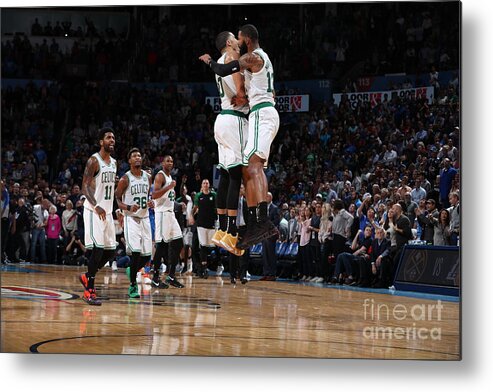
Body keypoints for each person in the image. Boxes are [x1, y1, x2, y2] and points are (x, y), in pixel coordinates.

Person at [199, 23, 280, 249]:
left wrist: (208, 61)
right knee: (245, 170)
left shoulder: (252, 57)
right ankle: (251, 223)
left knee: (251, 168)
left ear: (245, 39)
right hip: (252, 115)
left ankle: (258, 221)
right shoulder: (257, 59)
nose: (237, 41)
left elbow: (224, 71)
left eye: (239, 38)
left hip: (259, 114)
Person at [206, 31, 249, 257]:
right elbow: (240, 91)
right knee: (235, 175)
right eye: (235, 38)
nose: (238, 43)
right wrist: (246, 95)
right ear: (229, 42)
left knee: (224, 175)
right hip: (235, 119)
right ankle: (232, 232)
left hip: (222, 119)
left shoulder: (221, 61)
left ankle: (221, 229)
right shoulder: (231, 57)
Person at [78, 128, 117, 306]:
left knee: (111, 251)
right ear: (101, 141)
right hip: (94, 210)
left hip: (107, 212)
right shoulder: (94, 160)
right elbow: (85, 186)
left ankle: (87, 276)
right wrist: (96, 205)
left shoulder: (114, 163)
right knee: (98, 249)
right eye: (108, 137)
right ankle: (89, 290)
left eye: (113, 138)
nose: (112, 140)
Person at [115, 148, 155, 298]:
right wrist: (128, 207)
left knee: (146, 256)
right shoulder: (125, 179)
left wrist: (150, 202)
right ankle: (132, 286)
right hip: (131, 218)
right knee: (136, 253)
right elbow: (117, 199)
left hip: (144, 217)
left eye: (139, 155)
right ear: (129, 161)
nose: (137, 157)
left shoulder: (148, 177)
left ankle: (132, 270)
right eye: (134, 156)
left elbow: (147, 196)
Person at [151, 155, 185, 288]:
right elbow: (154, 194)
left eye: (172, 161)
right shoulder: (160, 176)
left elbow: (166, 196)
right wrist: (169, 187)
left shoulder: (170, 177)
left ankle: (171, 276)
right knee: (161, 246)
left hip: (171, 214)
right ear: (162, 163)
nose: (170, 163)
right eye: (167, 161)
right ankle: (155, 278)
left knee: (179, 242)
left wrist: (173, 195)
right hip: (162, 214)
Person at [191, 179, 218, 278]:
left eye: (207, 183)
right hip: (201, 224)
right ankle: (203, 268)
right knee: (202, 245)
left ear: (209, 185)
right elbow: (195, 208)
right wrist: (191, 216)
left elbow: (217, 208)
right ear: (201, 185)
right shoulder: (198, 196)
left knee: (209, 246)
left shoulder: (214, 195)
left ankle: (211, 266)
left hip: (211, 224)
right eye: (204, 183)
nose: (205, 184)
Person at [260, 192, 280, 281]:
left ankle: (272, 274)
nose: (266, 198)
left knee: (271, 255)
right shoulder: (263, 208)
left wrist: (268, 227)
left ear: (271, 198)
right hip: (264, 235)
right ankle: (266, 273)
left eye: (267, 196)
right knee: (265, 255)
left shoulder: (275, 208)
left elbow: (276, 221)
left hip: (271, 235)